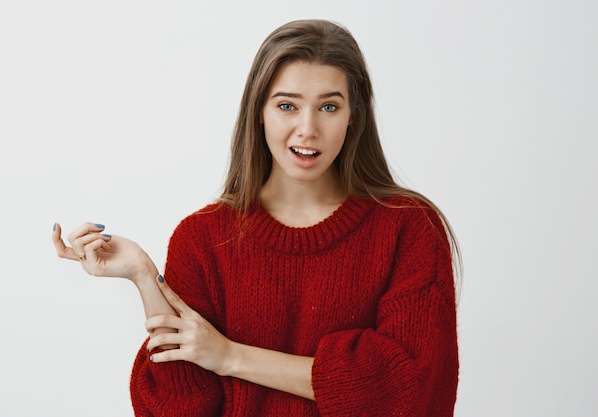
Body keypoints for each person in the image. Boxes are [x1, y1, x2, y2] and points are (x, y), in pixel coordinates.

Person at [53, 19, 460, 416]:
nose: (308, 129)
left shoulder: (408, 227)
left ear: (353, 115)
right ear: (259, 111)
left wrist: (229, 356)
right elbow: (177, 408)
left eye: (329, 107)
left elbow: (403, 387)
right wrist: (144, 277)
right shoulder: (203, 237)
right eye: (287, 105)